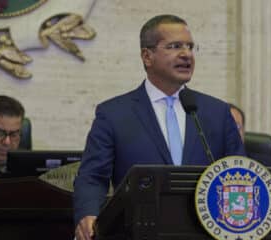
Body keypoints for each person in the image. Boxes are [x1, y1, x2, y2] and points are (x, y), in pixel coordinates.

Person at [73, 14, 245, 240]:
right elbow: (92, 177)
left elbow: (240, 176)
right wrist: (88, 213)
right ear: (147, 56)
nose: (186, 54)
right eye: (175, 46)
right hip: (137, 232)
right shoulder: (113, 114)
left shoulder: (217, 113)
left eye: (190, 47)